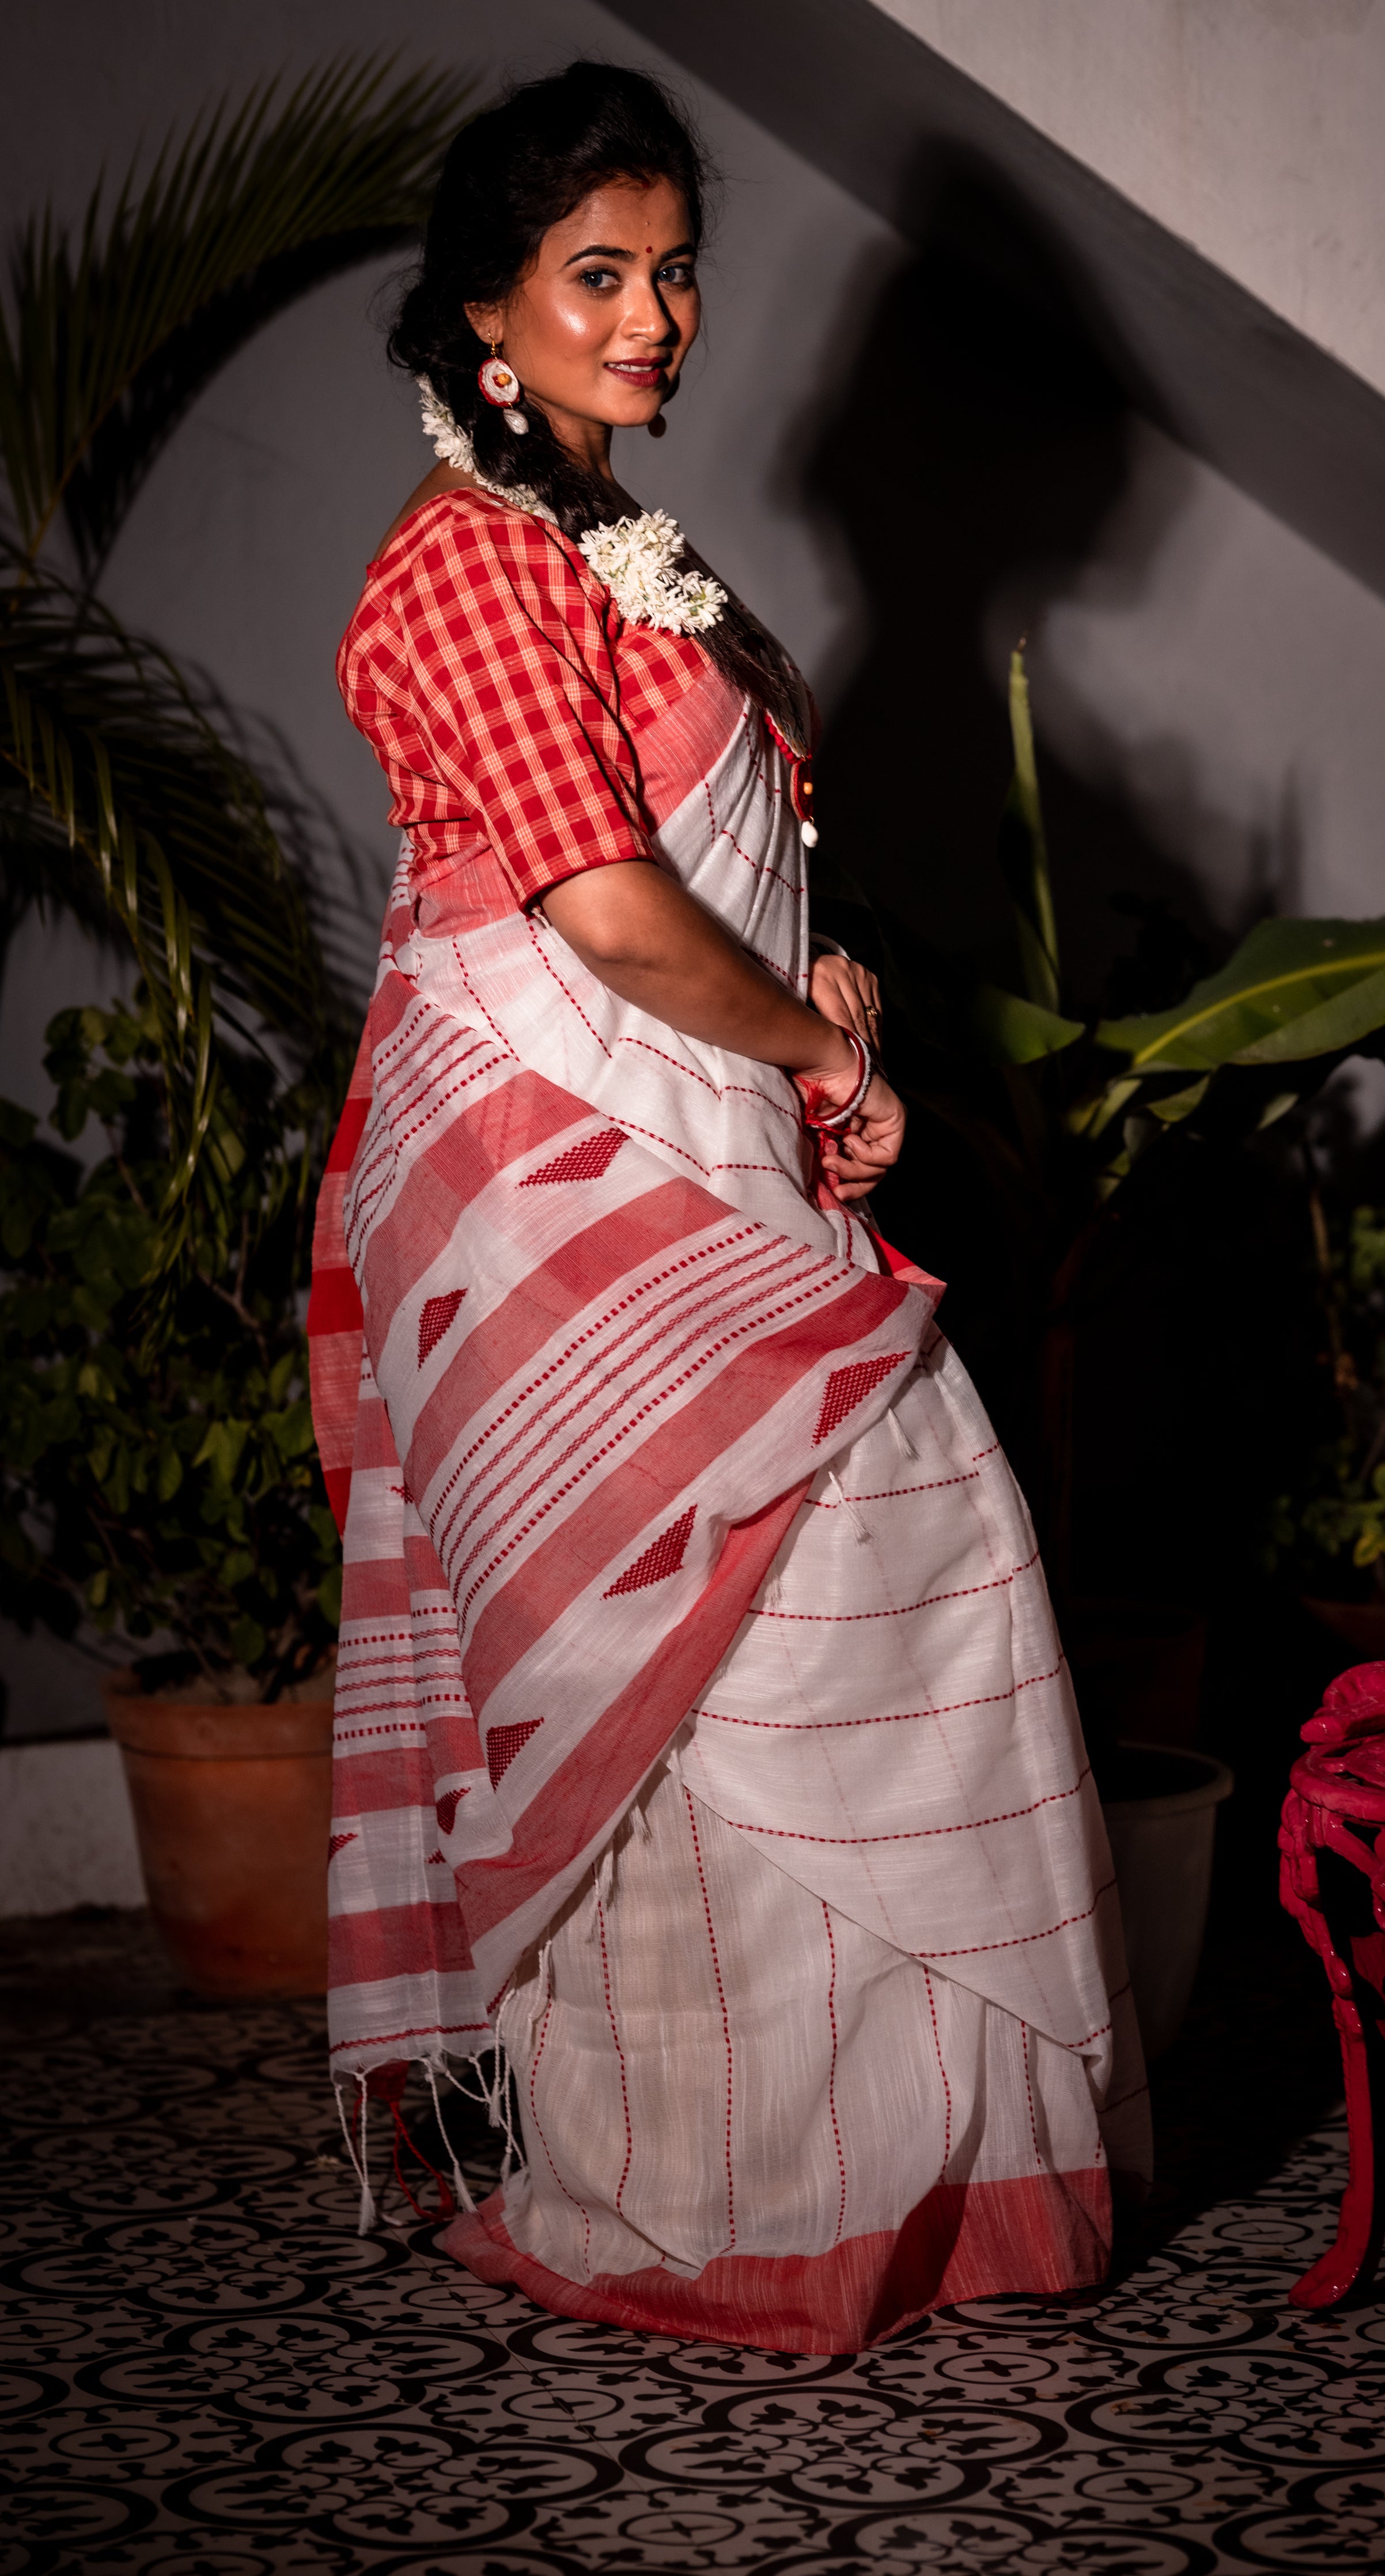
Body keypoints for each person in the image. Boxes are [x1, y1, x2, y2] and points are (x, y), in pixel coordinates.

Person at [309, 59, 1148, 2356]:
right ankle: (691, 2197)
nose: (655, 316)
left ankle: (907, 2182)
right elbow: (594, 906)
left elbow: (724, 879)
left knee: (838, 1605)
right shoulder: (467, 559)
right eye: (598, 273)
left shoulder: (606, 539)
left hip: (697, 1143)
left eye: (677, 272)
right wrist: (820, 1054)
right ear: (486, 308)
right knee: (681, 1663)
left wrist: (819, 1010)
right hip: (547, 1184)